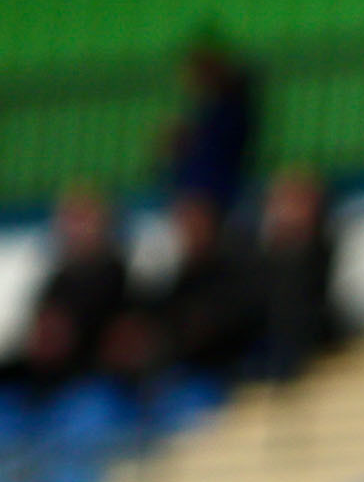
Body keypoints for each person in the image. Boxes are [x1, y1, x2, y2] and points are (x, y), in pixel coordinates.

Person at [128, 189, 260, 383]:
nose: (191, 232)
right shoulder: (165, 277)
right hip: (166, 374)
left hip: (220, 375)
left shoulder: (234, 276)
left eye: (198, 224)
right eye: (185, 223)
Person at [9, 183, 132, 391]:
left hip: (100, 385)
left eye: (83, 219)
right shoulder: (56, 284)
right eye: (70, 220)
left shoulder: (122, 282)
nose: (75, 230)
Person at [249, 164, 350, 385]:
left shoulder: (317, 253)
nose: (284, 211)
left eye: (294, 203)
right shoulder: (252, 254)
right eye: (281, 203)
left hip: (302, 345)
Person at [156, 31, 262, 216]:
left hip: (213, 192)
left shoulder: (231, 110)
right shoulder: (210, 110)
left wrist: (185, 139)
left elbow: (218, 154)